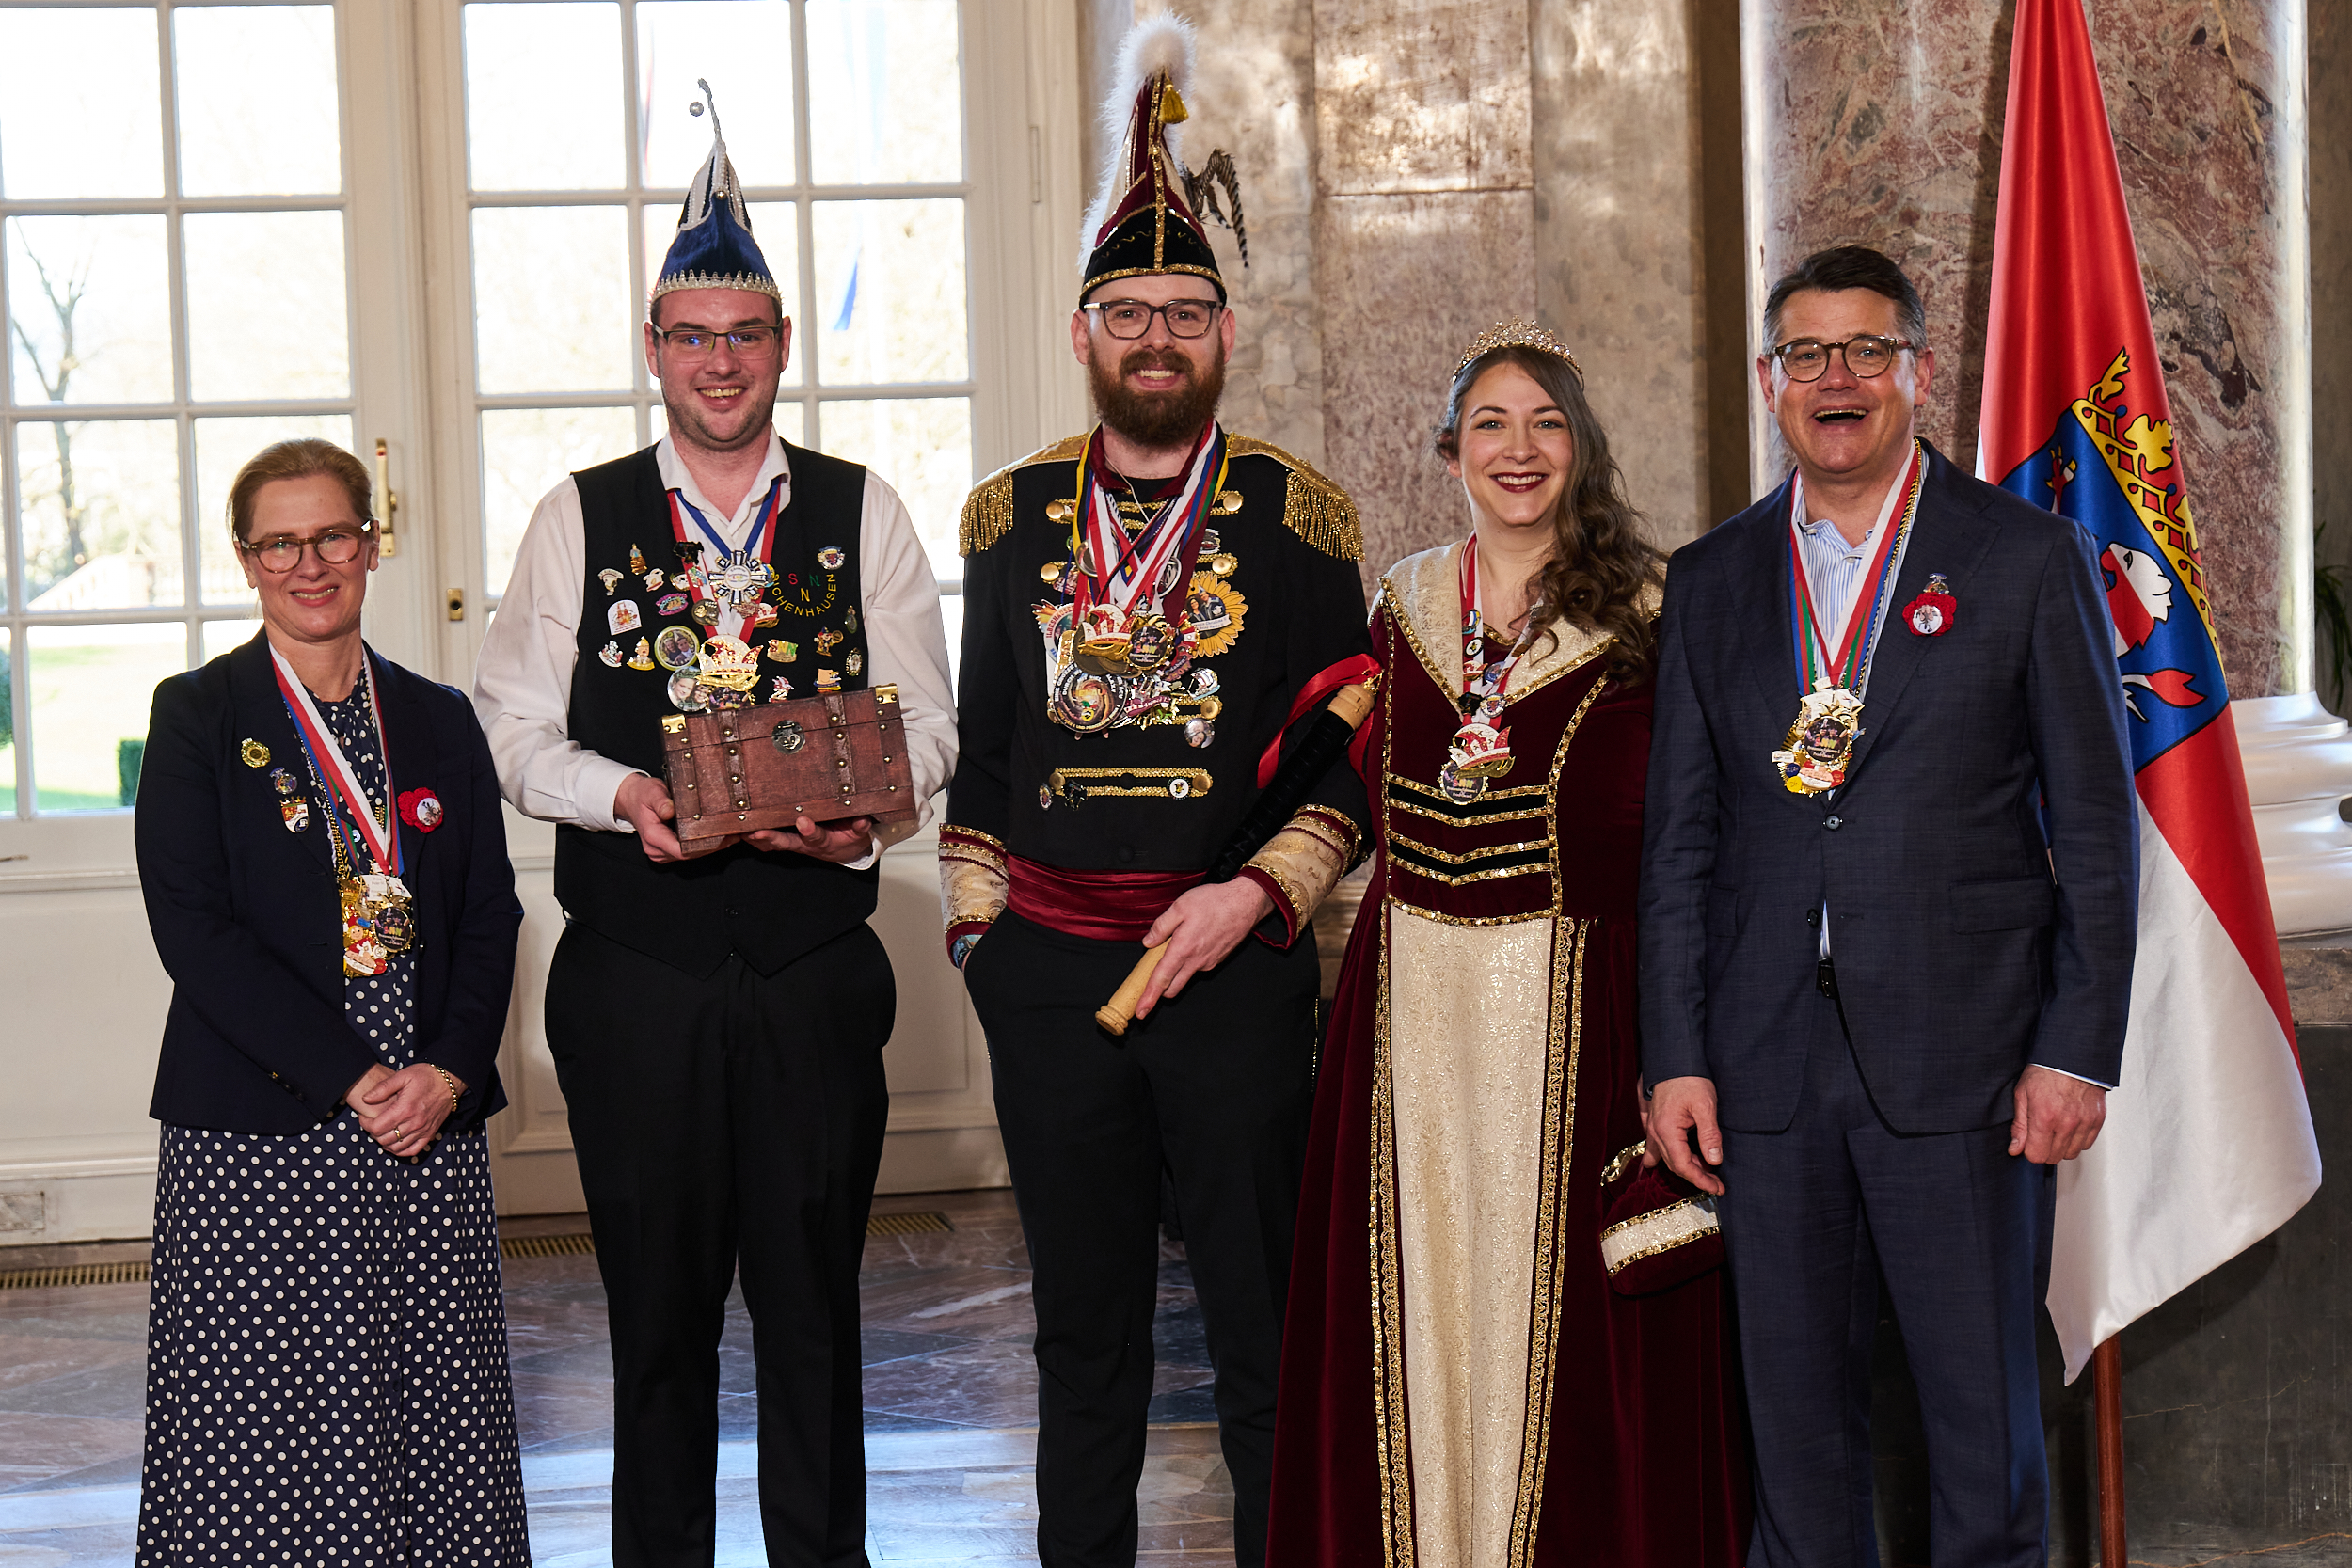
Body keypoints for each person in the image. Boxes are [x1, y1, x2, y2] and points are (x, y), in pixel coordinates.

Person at [469, 95, 956, 1567]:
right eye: (693, 337)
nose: (721, 362)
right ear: (654, 349)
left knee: (816, 1315)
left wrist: (854, 822)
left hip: (814, 971)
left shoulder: (865, 512)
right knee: (656, 1322)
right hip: (637, 975)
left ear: (784, 344)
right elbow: (510, 729)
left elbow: (932, 728)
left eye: (745, 335)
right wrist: (620, 794)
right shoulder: (579, 515)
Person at [937, 16, 1372, 1567]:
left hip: (1236, 973)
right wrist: (988, 947)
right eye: (1129, 313)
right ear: (1084, 334)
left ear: (1225, 333)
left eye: (1187, 312)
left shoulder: (1303, 519)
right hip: (1056, 979)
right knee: (1082, 1335)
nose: (1159, 338)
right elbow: (984, 754)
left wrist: (1256, 897)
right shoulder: (1004, 521)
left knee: (1262, 1330)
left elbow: (1350, 750)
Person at [1640, 245, 2138, 1566]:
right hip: (1765, 1066)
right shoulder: (1711, 579)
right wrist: (1676, 1053)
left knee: (1981, 1427)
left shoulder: (2023, 557)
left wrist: (2076, 1047)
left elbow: (2098, 827)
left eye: (1868, 350)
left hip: (1970, 1062)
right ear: (1771, 381)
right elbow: (1679, 841)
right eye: (1807, 354)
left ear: (1918, 371)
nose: (1838, 379)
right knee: (1796, 1432)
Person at [1261, 324, 1749, 1567]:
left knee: (1577, 1318)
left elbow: (1696, 838)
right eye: (1490, 423)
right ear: (1450, 451)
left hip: (1584, 1008)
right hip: (1408, 1012)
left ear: (1580, 447)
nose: (1517, 448)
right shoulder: (1403, 602)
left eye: (1545, 422)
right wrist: (1256, 890)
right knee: (1413, 1301)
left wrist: (1685, 1038)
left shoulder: (1655, 613)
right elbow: (1351, 792)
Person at [135, 437, 528, 1566]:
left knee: (432, 1404)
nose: (309, 564)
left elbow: (490, 912)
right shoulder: (198, 713)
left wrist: (447, 1072)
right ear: (246, 559)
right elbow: (194, 930)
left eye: (332, 536)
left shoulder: (440, 716)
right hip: (264, 1132)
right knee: (266, 1415)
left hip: (425, 1124)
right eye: (280, 544)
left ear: (371, 542)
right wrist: (357, 1078)